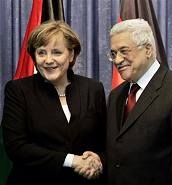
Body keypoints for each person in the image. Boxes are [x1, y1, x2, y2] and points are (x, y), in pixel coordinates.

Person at [1, 20, 106, 185]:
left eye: (57, 52)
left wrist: (99, 160)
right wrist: (72, 160)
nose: (48, 60)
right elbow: (17, 147)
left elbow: (105, 140)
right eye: (41, 53)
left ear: (71, 55)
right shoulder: (18, 90)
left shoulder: (93, 89)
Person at [106, 18, 172, 185]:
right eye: (113, 54)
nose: (117, 60)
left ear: (147, 49)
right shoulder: (116, 95)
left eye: (124, 51)